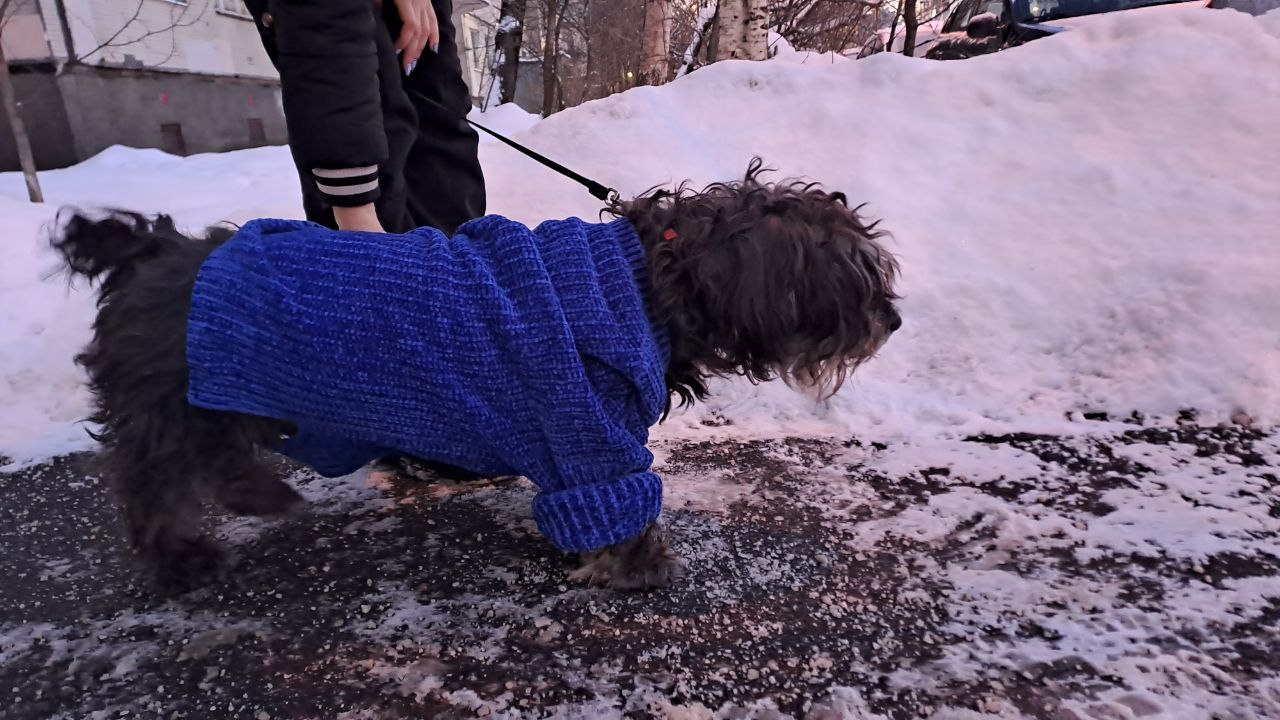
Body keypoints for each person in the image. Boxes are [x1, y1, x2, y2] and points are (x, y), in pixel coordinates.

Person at [243, 0, 485, 235]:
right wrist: (355, 213)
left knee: (448, 202)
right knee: (377, 234)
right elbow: (323, 31)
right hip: (339, 56)